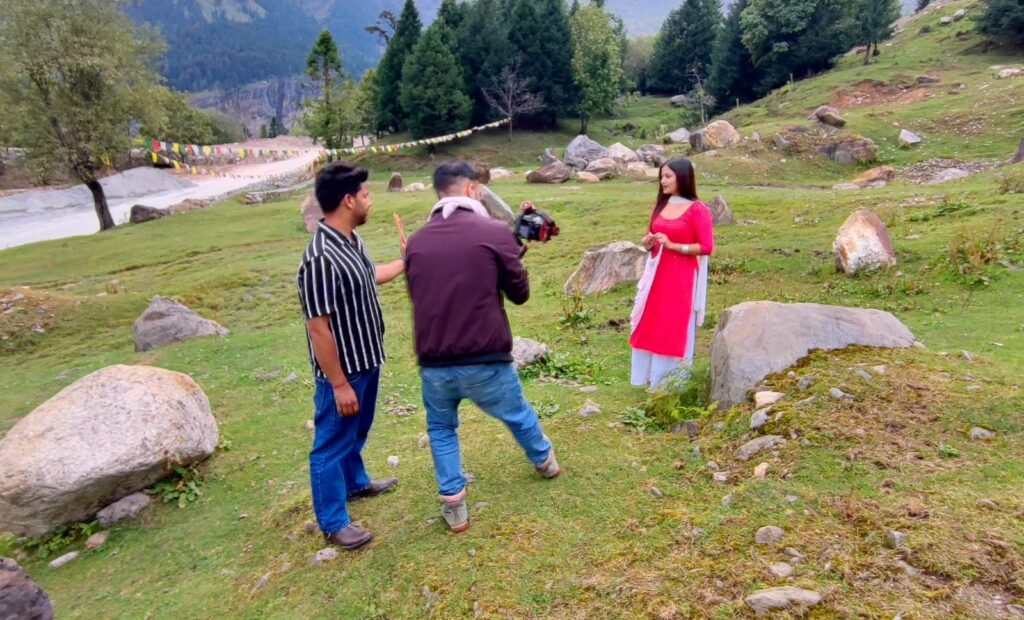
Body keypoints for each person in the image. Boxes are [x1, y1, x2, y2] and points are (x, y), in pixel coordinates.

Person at [404, 161, 560, 534]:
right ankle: (545, 462)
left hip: (434, 360)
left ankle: (454, 504)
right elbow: (519, 294)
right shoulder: (494, 231)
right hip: (485, 356)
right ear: (473, 190)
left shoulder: (416, 241)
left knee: (441, 428)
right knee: (516, 411)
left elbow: (418, 294)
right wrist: (514, 255)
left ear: (439, 192)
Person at [295, 162, 406, 550]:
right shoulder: (321, 258)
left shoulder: (351, 242)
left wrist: (406, 263)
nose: (370, 202)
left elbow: (369, 276)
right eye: (366, 195)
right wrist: (339, 384)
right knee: (330, 444)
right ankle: (333, 522)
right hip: (343, 373)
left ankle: (356, 482)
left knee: (356, 432)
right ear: (348, 200)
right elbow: (318, 328)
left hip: (367, 360)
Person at [629, 157, 715, 388]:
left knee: (672, 324)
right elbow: (652, 235)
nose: (662, 181)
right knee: (652, 322)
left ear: (683, 177)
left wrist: (674, 245)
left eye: (668, 176)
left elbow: (706, 246)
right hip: (657, 275)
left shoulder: (697, 209)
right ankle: (649, 377)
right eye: (661, 176)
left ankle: (670, 382)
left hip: (682, 277)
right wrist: (648, 244)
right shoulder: (660, 205)